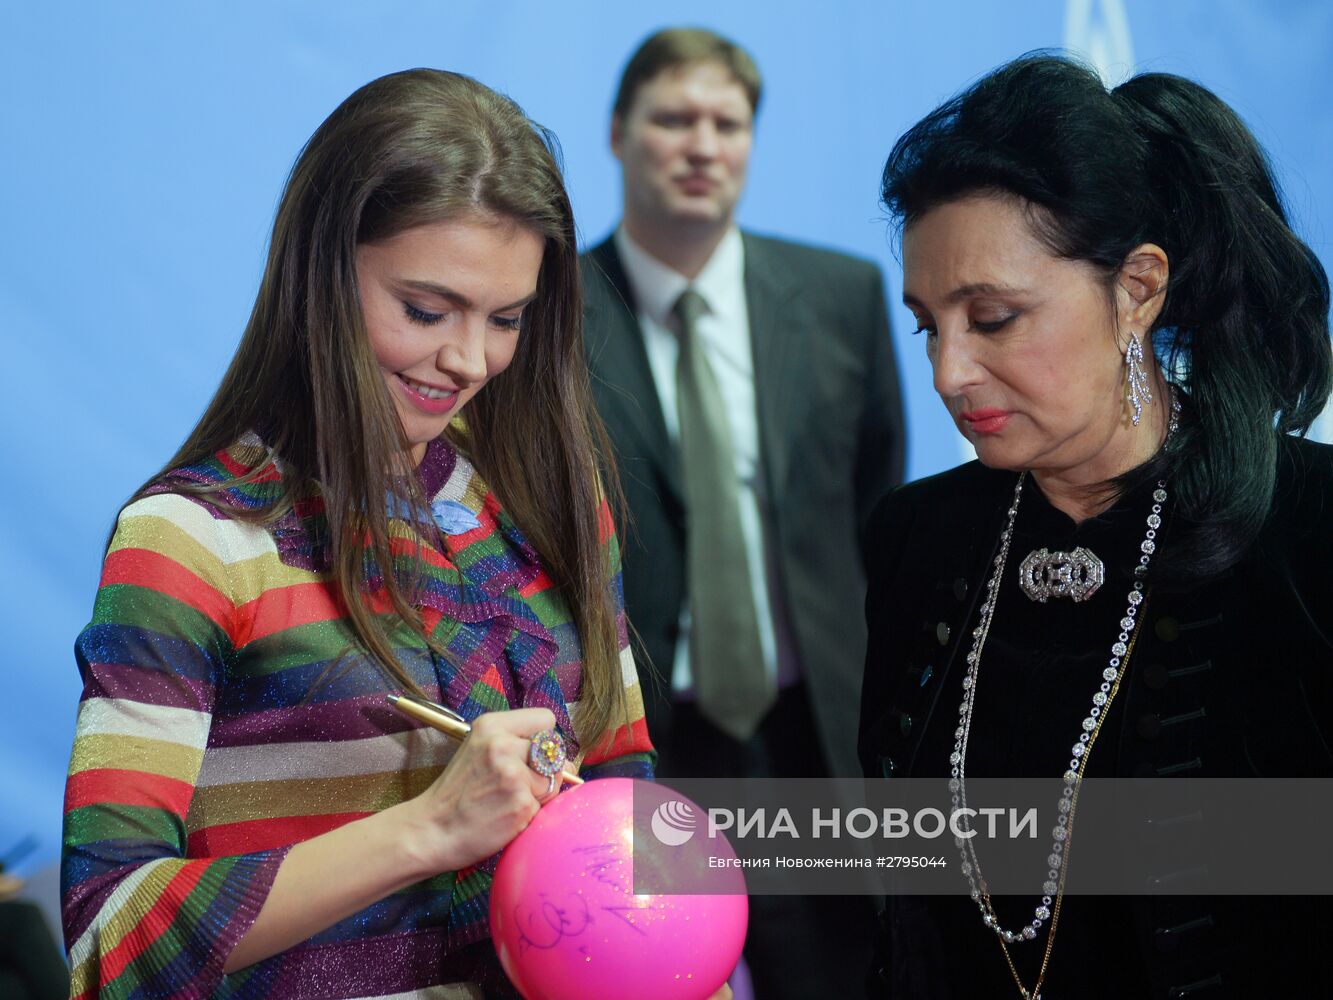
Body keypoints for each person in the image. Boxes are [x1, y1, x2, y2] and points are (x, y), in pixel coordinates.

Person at [61, 69, 657, 999]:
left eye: (506, 319)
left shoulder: (555, 495)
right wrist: (426, 829)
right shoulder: (192, 537)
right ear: (321, 274)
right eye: (425, 310)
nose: (466, 361)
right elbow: (109, 941)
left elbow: (627, 803)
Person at [859, 54, 1333, 998]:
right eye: (927, 325)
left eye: (992, 318)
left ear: (1137, 289)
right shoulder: (919, 538)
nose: (949, 371)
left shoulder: (1305, 527)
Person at [580, 26, 904, 998]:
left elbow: (875, 508)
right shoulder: (551, 312)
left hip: (810, 741)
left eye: (727, 123)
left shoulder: (841, 296)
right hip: (642, 745)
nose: (701, 145)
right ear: (618, 134)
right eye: (673, 118)